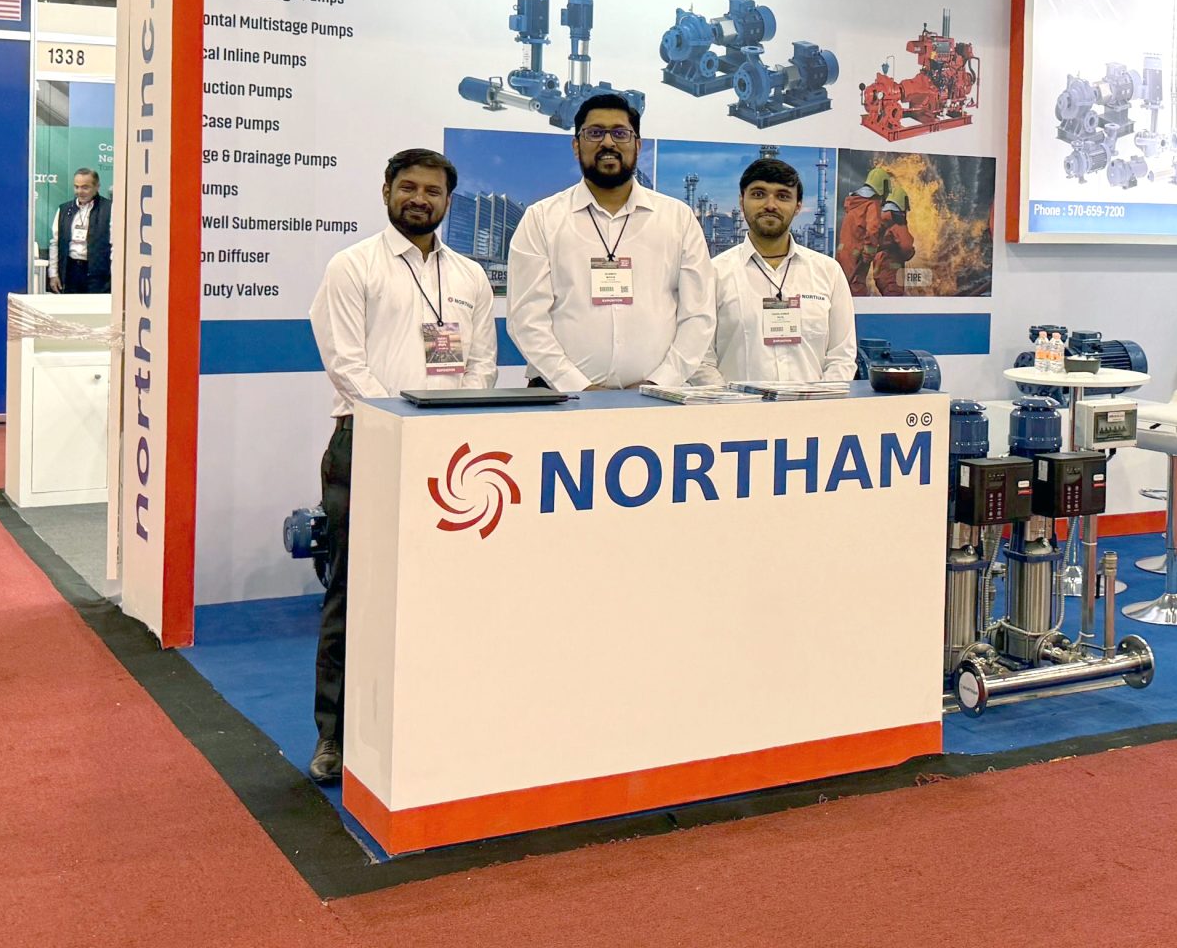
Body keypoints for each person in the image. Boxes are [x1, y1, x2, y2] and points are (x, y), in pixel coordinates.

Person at [304, 148, 496, 783]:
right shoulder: (353, 265)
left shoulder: (470, 275)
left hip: (451, 454)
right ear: (385, 190)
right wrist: (400, 424)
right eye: (408, 187)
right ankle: (335, 736)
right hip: (368, 444)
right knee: (354, 591)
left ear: (448, 201)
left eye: (433, 191)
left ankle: (438, 724)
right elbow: (346, 363)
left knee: (447, 590)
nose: (420, 199)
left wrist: (452, 425)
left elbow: (482, 363)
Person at [505, 93, 713, 391]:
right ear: (576, 146)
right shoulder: (541, 219)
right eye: (594, 133)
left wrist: (659, 382)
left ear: (637, 145)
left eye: (620, 133)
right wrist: (577, 386)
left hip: (656, 398)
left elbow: (698, 313)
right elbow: (526, 318)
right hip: (559, 396)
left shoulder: (678, 218)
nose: (607, 142)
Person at [699, 156, 857, 385]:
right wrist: (731, 401)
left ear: (798, 206)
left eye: (783, 196)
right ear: (741, 201)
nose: (770, 205)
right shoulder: (714, 274)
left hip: (813, 406)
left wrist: (820, 400)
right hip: (737, 406)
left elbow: (841, 357)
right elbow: (701, 360)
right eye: (758, 194)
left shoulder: (828, 272)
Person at [839, 165, 916, 296]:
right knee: (857, 290)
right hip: (868, 262)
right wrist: (867, 255)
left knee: (845, 289)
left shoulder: (855, 204)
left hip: (844, 255)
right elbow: (873, 231)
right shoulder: (876, 207)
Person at [47, 168, 112, 294]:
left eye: (85, 187)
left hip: (98, 275)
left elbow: (115, 245)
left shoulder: (109, 209)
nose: (79, 191)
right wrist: (53, 274)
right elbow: (55, 243)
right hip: (71, 272)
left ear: (97, 187)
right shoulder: (64, 209)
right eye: (76, 187)